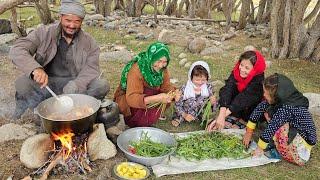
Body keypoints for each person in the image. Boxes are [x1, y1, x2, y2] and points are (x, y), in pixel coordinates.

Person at [9, 0, 109, 119]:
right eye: (68, 20)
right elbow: (17, 49)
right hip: (46, 84)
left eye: (77, 21)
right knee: (22, 83)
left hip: (74, 85)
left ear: (81, 22)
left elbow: (91, 69)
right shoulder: (43, 33)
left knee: (101, 85)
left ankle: (80, 112)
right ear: (60, 17)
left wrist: (77, 84)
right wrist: (35, 69)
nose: (72, 25)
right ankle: (34, 113)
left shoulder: (89, 42)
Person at [243, 73, 317, 165]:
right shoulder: (283, 98)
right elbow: (259, 108)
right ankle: (274, 143)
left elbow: (272, 127)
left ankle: (278, 149)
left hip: (301, 150)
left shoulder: (289, 107)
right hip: (293, 132)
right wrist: (249, 132)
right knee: (268, 112)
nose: (264, 94)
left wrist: (259, 149)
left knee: (273, 121)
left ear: (277, 95)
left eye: (266, 93)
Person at [114, 42, 179, 127]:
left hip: (149, 98)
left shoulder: (163, 69)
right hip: (131, 102)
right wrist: (156, 98)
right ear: (151, 58)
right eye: (158, 61)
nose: (160, 65)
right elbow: (131, 98)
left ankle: (152, 114)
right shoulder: (137, 70)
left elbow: (166, 87)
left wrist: (174, 93)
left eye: (164, 62)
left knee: (165, 97)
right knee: (140, 121)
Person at [207, 50, 266, 130]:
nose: (242, 69)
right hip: (237, 105)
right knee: (228, 91)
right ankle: (234, 116)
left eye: (247, 68)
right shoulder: (237, 72)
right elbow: (228, 88)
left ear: (255, 69)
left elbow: (244, 98)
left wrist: (222, 116)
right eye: (241, 65)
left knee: (249, 102)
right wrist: (222, 112)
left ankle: (244, 121)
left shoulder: (258, 80)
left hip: (250, 106)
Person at [172, 61, 217, 127]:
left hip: (200, 111)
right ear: (191, 77)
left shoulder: (208, 88)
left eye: (203, 80)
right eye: (197, 80)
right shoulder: (185, 89)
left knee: (206, 114)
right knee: (179, 113)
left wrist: (213, 102)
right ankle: (180, 117)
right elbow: (178, 104)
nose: (200, 83)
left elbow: (211, 103)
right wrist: (184, 114)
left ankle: (203, 118)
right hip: (187, 111)